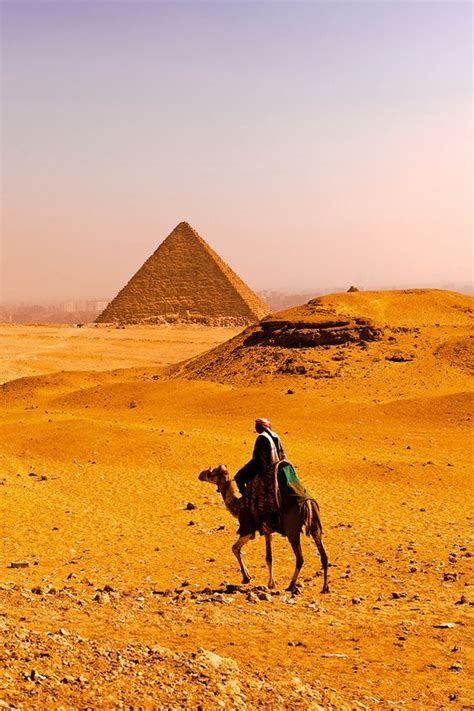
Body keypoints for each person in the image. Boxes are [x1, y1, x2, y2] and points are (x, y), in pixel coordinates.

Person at [235, 418, 286, 534]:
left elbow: (260, 460)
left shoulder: (262, 438)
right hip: (276, 465)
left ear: (261, 427)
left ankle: (246, 501)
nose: (255, 428)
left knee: (239, 477)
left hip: (265, 468)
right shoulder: (275, 436)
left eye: (257, 425)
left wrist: (259, 475)